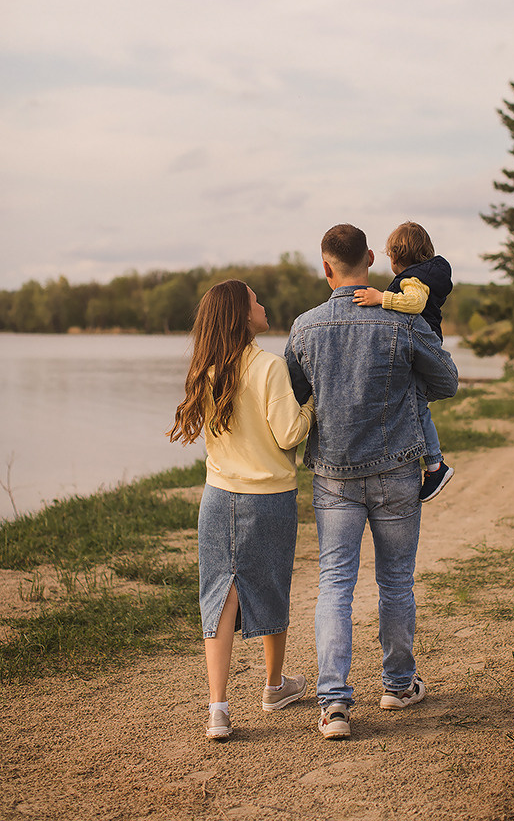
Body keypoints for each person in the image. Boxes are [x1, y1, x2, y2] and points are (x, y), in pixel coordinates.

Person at [285, 224, 458, 740]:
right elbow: (446, 380)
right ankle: (397, 684)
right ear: (370, 259)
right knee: (396, 580)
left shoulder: (304, 327)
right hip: (398, 468)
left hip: (334, 476)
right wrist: (407, 380)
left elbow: (293, 395)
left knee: (335, 584)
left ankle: (334, 705)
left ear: (325, 267)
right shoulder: (398, 319)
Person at [169, 280, 314, 741]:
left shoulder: (206, 369)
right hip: (268, 499)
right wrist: (313, 404)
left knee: (219, 596)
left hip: (217, 498)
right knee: (271, 587)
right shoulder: (269, 366)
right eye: (255, 300)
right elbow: (290, 433)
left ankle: (218, 709)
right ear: (241, 314)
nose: (263, 304)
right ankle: (274, 686)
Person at [353, 220, 455, 503]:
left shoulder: (413, 280)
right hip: (425, 344)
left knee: (418, 405)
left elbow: (415, 304)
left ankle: (435, 465)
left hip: (420, 346)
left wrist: (380, 297)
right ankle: (425, 458)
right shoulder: (429, 274)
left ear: (396, 257)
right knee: (414, 400)